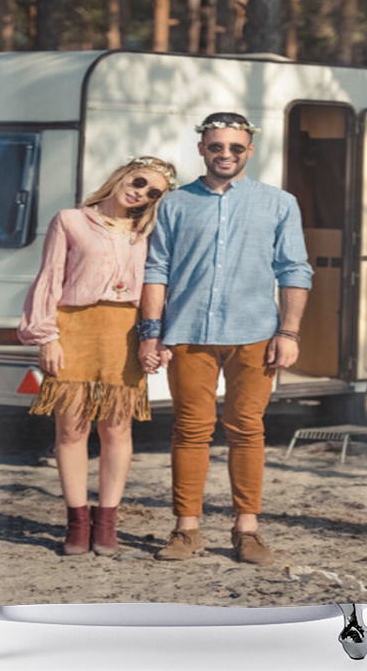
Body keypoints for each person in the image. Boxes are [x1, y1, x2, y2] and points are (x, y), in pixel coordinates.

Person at [139, 113, 313, 565]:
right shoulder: (175, 205)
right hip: (189, 333)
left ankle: (247, 531)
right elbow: (156, 269)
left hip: (254, 334)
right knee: (190, 431)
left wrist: (289, 332)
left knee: (247, 430)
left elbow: (294, 269)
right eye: (216, 146)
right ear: (202, 149)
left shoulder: (278, 203)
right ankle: (186, 529)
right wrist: (151, 333)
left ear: (249, 151)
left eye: (236, 148)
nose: (226, 155)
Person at [18, 156, 177, 556]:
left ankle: (106, 524)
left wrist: (158, 338)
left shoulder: (149, 233)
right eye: (139, 181)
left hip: (124, 332)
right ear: (123, 174)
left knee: (116, 430)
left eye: (153, 191)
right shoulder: (70, 220)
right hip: (72, 328)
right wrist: (47, 337)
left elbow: (161, 287)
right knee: (71, 430)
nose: (141, 191)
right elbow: (50, 278)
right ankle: (77, 522)